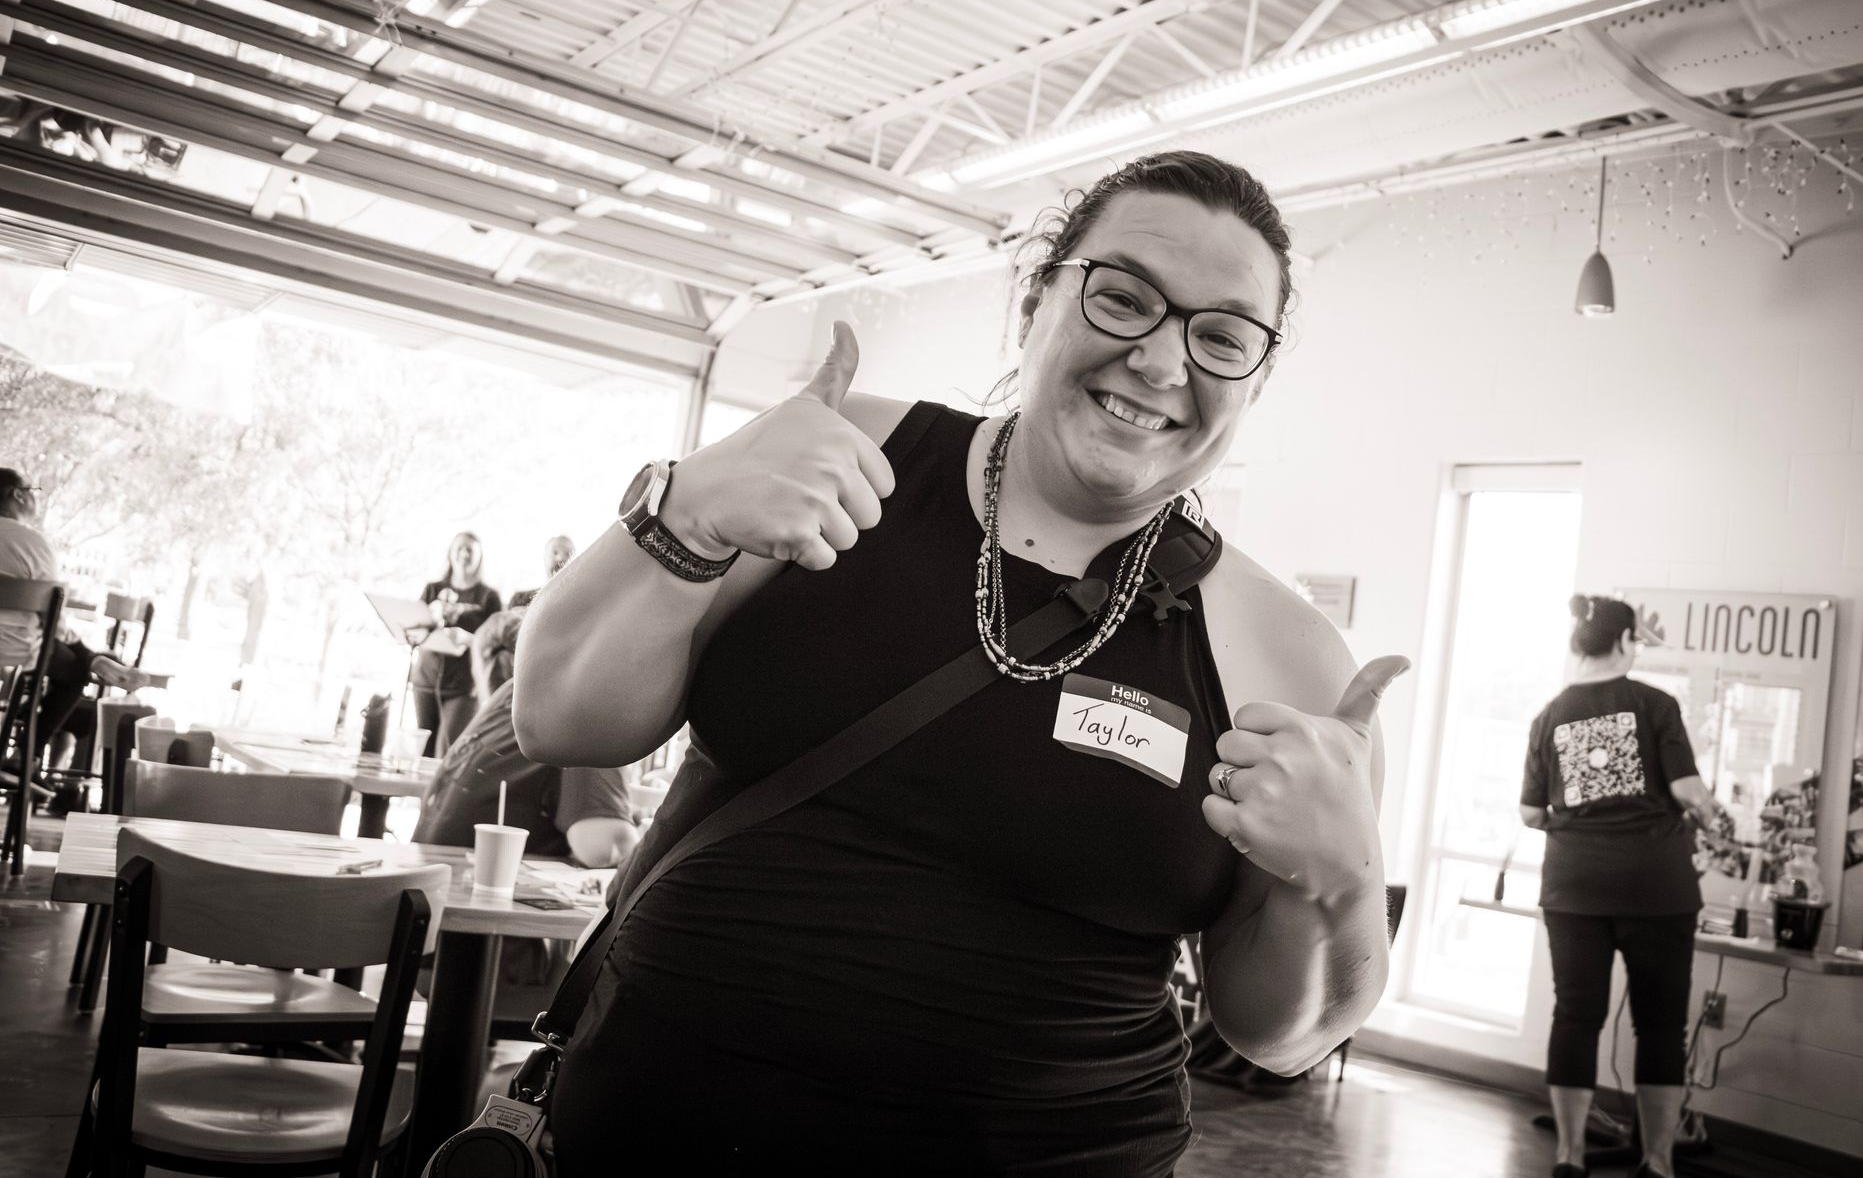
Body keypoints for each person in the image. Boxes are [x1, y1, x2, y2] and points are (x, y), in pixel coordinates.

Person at [517, 151, 1406, 1174]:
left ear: (1257, 378)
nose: (1163, 363)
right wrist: (686, 516)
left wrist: (1341, 879)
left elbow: (1280, 1036)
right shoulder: (839, 456)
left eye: (1222, 337)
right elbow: (558, 717)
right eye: (1123, 298)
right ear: (1035, 302)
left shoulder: (1291, 658)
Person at [1521, 594, 1728, 1178]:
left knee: (1575, 1016)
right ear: (1623, 642)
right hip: (1655, 887)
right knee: (1660, 1024)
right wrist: (1716, 816)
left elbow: (1530, 813)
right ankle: (1657, 1161)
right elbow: (1687, 790)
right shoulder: (1655, 704)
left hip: (1573, 888)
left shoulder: (1550, 715)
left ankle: (1570, 1155)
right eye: (1635, 640)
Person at [0, 468, 152, 775]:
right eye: (33, 490)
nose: (35, 496)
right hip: (14, 649)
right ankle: (26, 756)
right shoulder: (32, 544)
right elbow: (52, 619)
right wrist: (81, 647)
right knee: (74, 673)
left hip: (20, 648)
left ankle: (92, 659)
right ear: (17, 495)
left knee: (60, 653)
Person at [413, 676, 636, 868]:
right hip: (464, 892)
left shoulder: (526, 684)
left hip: (422, 882)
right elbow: (604, 850)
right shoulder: (594, 708)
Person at [412, 531, 500, 757]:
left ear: (480, 556)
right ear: (450, 552)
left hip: (464, 685)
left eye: (470, 549)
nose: (464, 554)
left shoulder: (489, 597)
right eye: (459, 548)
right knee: (423, 751)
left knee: (447, 753)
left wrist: (467, 638)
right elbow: (414, 629)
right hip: (425, 680)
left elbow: (497, 643)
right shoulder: (432, 590)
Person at [506, 535, 575, 610]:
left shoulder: (577, 600)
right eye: (555, 552)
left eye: (567, 554)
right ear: (544, 557)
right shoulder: (519, 600)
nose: (560, 558)